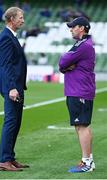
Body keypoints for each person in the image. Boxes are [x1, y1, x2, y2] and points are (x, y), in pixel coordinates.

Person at [59, 17, 96, 173]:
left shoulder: (83, 45)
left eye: (73, 27)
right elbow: (64, 65)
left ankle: (87, 162)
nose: (71, 29)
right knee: (80, 125)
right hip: (78, 90)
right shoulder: (82, 44)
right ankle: (88, 160)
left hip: (79, 90)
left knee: (82, 126)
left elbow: (62, 61)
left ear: (82, 28)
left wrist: (65, 66)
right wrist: (66, 67)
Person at [0, 7, 29, 171]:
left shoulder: (10, 36)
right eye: (20, 17)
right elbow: (6, 64)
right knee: (11, 122)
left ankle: (9, 156)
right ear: (11, 19)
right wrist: (11, 88)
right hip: (12, 87)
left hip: (15, 85)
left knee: (15, 122)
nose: (23, 20)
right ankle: (4, 160)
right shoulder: (6, 38)